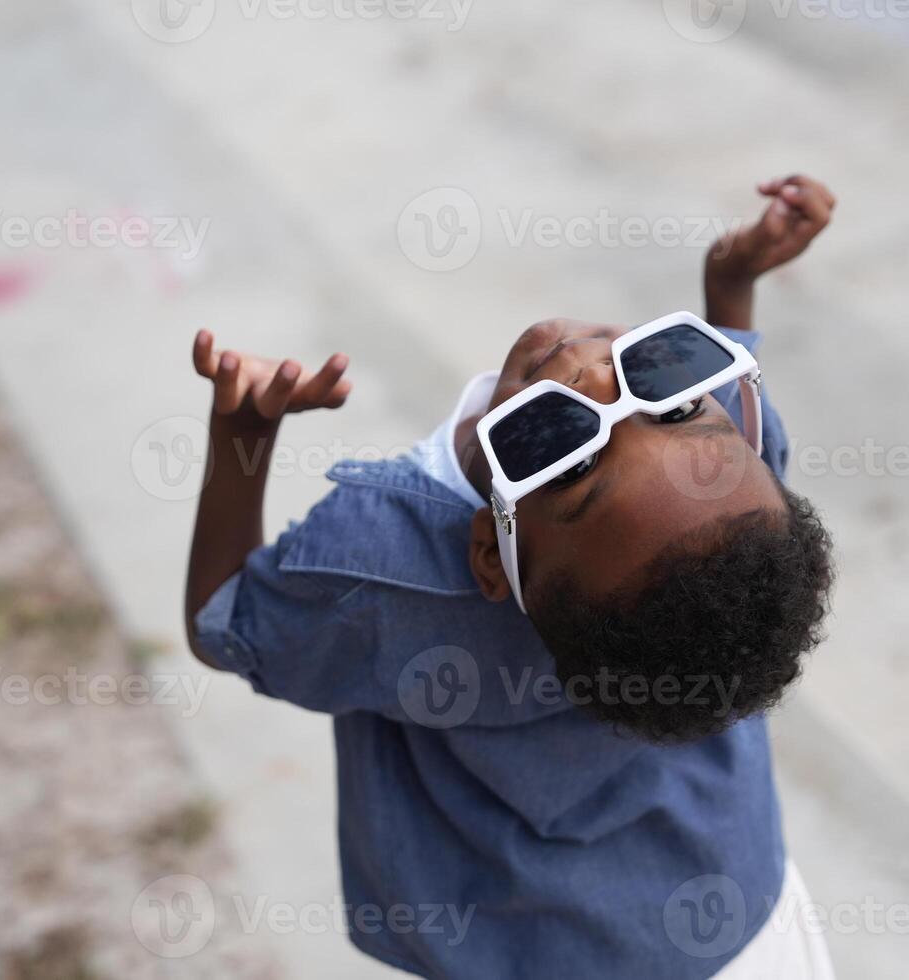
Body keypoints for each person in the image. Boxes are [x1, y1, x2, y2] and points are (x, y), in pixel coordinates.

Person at [184, 175, 840, 979]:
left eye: (572, 460)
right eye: (674, 404)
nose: (595, 376)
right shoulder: (726, 454)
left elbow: (225, 621)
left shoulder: (382, 571)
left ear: (491, 559)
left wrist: (241, 437)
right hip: (745, 926)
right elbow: (743, 429)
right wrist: (730, 286)